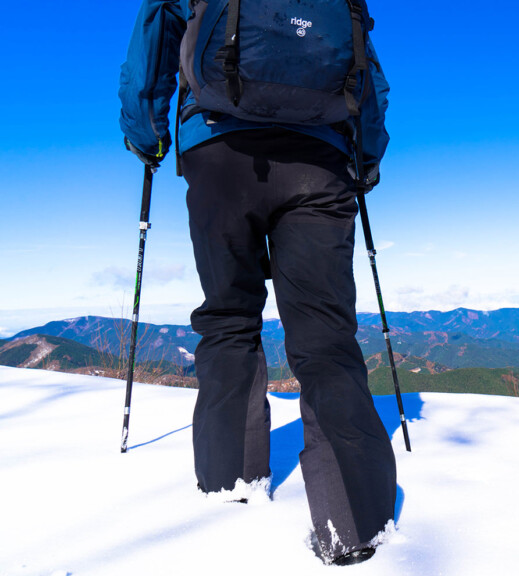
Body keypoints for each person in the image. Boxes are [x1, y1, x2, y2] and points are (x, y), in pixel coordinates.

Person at [118, 0, 397, 566]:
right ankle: (353, 524)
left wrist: (147, 134)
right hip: (321, 156)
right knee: (325, 335)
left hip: (218, 147)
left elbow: (154, 39)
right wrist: (365, 155)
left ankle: (228, 488)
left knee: (228, 318)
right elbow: (362, 63)